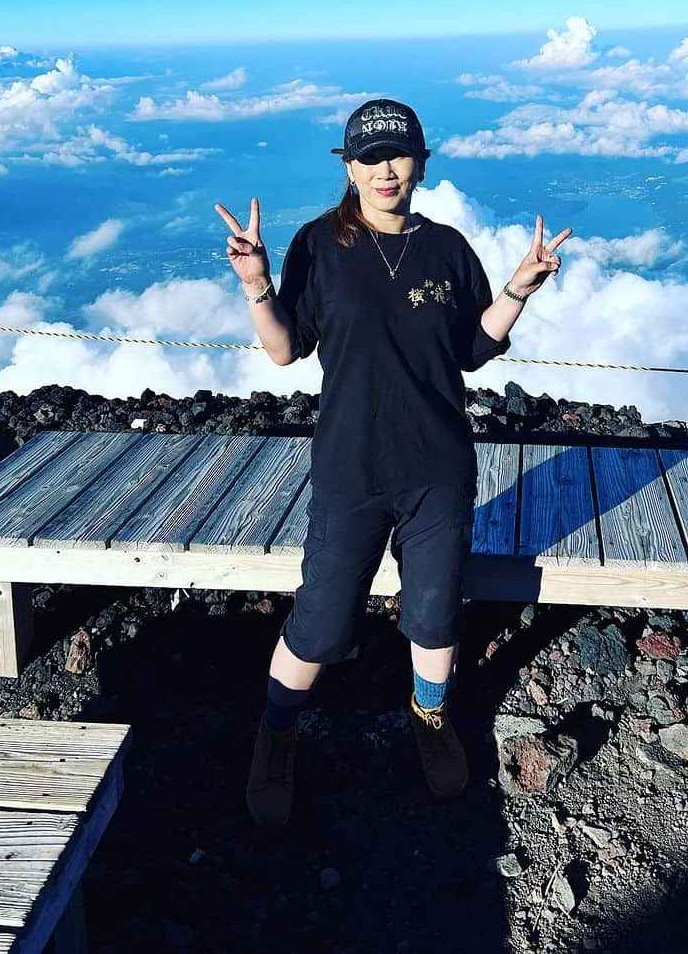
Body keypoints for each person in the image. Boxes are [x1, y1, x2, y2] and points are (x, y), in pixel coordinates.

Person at [213, 97, 571, 828]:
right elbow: (286, 350)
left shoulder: (446, 248)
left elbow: (472, 350)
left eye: (398, 155)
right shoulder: (319, 245)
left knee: (437, 614)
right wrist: (255, 283)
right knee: (320, 620)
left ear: (422, 163)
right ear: (348, 167)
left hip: (438, 466)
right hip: (351, 465)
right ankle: (276, 734)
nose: (384, 170)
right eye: (368, 157)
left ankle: (429, 719)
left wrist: (518, 289)